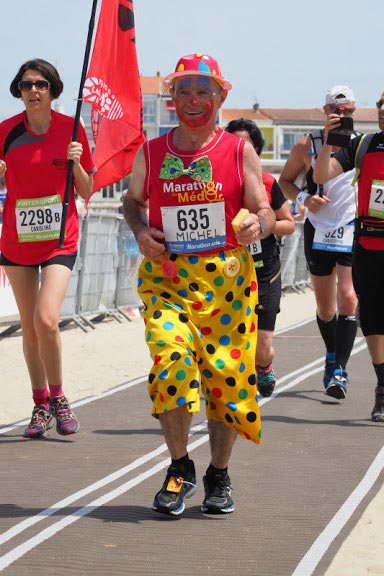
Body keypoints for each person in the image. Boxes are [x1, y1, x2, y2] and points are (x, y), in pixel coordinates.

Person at [123, 53, 276, 516]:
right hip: (168, 279)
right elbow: (132, 204)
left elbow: (265, 210)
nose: (193, 100)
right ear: (171, 98)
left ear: (220, 97)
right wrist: (139, 230)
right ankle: (178, 467)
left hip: (226, 284)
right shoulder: (151, 151)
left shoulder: (237, 150)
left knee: (226, 382)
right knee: (170, 364)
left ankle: (218, 474)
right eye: (184, 90)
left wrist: (258, 225)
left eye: (202, 91)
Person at [0, 59, 95, 438]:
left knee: (46, 320)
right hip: (17, 241)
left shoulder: (71, 130)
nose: (33, 91)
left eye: (40, 84)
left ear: (53, 90)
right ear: (18, 91)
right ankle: (39, 405)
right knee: (29, 328)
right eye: (26, 85)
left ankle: (59, 398)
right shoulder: (6, 132)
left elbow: (87, 190)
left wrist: (76, 164)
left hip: (59, 239)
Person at [279, 86, 358, 400]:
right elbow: (285, 181)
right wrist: (303, 198)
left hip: (350, 224)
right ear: (325, 112)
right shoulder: (306, 144)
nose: (341, 117)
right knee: (326, 308)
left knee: (349, 298)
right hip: (318, 228)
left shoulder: (361, 144)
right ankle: (331, 353)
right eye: (336, 112)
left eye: (348, 111)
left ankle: (339, 369)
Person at [313, 92, 384, 422]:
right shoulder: (364, 145)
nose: (382, 109)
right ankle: (382, 389)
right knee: (371, 319)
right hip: (369, 243)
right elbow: (319, 176)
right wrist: (328, 142)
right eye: (381, 103)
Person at [225, 118, 295, 397]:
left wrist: (261, 226)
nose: (241, 150)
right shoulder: (215, 183)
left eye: (248, 146)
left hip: (264, 270)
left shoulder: (266, 182)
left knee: (262, 347)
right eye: (235, 144)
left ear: (256, 150)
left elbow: (288, 223)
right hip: (226, 271)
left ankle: (264, 367)